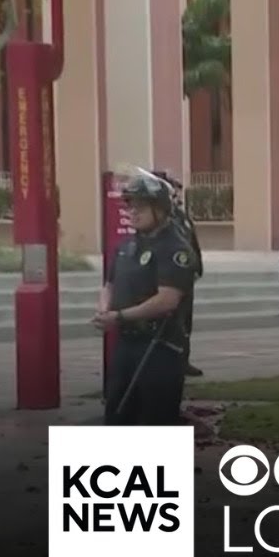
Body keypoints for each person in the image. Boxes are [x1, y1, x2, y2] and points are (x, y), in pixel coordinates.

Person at [92, 169, 198, 426]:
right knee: (118, 414)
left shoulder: (175, 248)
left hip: (159, 346)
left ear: (160, 209)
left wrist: (119, 316)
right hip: (126, 344)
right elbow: (110, 283)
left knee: (154, 419)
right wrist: (105, 308)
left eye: (140, 206)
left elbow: (167, 300)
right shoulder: (128, 246)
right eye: (130, 206)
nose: (132, 212)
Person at [153, 170, 204, 377]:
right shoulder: (161, 219)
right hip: (168, 279)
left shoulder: (181, 216)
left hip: (185, 278)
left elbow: (192, 243)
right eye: (172, 189)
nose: (176, 193)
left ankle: (184, 359)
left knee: (185, 321)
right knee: (172, 322)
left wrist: (198, 267)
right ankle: (170, 361)